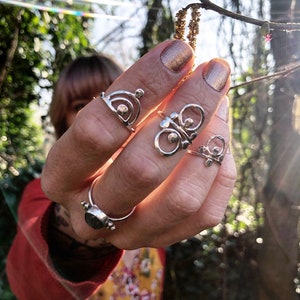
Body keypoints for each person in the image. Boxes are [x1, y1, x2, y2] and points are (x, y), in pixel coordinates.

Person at [6, 39, 236, 300]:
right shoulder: (38, 194)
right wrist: (78, 236)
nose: (100, 112)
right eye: (82, 104)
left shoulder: (154, 193)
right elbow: (28, 284)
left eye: (113, 93)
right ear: (63, 119)